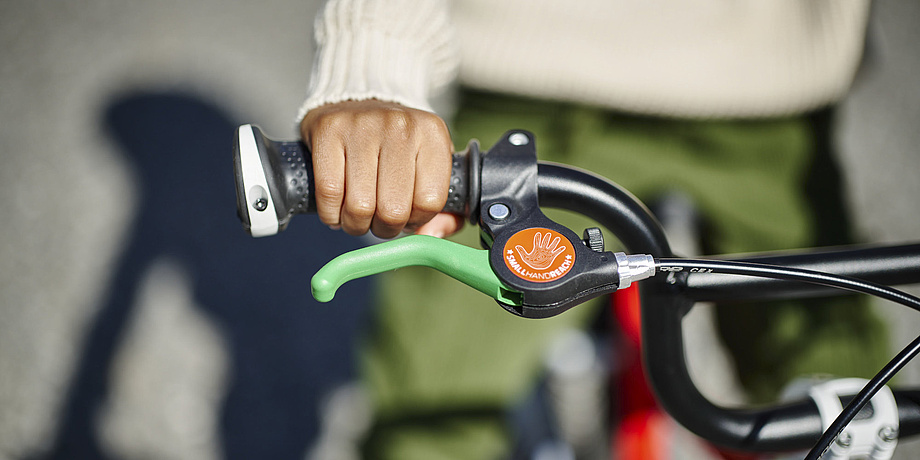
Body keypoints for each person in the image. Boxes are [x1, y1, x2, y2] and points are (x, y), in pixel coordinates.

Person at [297, 1, 888, 458]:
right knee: (432, 413)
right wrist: (372, 75)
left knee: (848, 397)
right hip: (537, 83)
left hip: (768, 97)